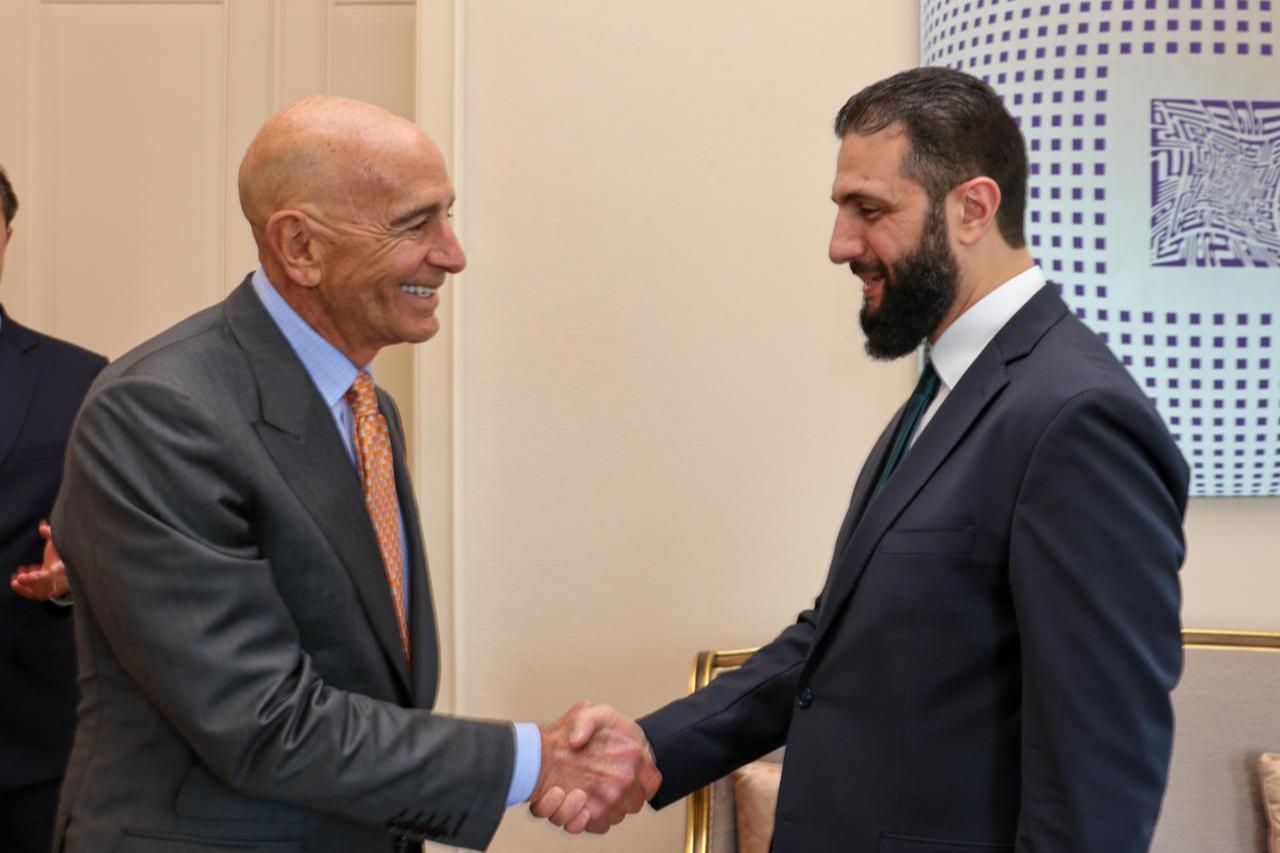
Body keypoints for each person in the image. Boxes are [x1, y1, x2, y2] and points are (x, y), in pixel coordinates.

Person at [550, 67, 1190, 852]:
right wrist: (654, 748)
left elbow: (1099, 778)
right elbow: (839, 642)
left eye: (871, 210)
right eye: (841, 210)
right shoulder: (949, 390)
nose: (840, 245)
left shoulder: (1077, 416)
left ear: (973, 208)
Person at [49, 97, 657, 852]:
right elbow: (263, 720)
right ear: (299, 245)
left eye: (449, 216)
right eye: (415, 224)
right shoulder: (158, 412)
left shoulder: (368, 408)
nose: (453, 253)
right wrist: (535, 759)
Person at [0, 164, 108, 853]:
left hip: (27, 762)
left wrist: (73, 576)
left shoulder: (81, 380)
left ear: (5, 239)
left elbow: (126, 550)